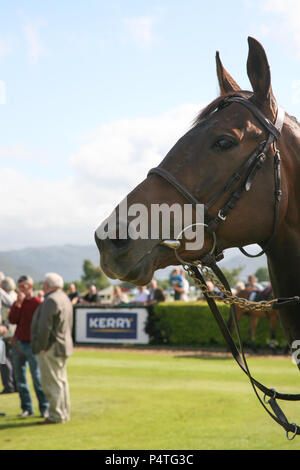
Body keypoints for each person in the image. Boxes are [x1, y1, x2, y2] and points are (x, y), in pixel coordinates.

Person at [31, 272, 73, 424]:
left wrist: (42, 346)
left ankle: (56, 415)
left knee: (51, 383)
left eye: (44, 284)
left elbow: (45, 326)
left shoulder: (51, 300)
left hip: (51, 347)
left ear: (48, 285)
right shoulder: (65, 298)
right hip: (63, 345)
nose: (42, 286)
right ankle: (63, 413)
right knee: (61, 381)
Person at [8, 275, 49, 418]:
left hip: (32, 345)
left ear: (30, 287)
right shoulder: (18, 302)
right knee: (20, 380)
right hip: (18, 343)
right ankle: (26, 408)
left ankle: (44, 408)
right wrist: (17, 305)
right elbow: (12, 320)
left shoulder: (38, 303)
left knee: (37, 379)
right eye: (19, 287)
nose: (21, 290)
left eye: (23, 286)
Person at [0, 277, 17, 394]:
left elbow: (12, 306)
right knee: (9, 358)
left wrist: (5, 324)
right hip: (11, 332)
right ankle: (13, 385)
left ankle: (9, 385)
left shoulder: (4, 294)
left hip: (6, 332)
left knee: (4, 360)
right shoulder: (13, 295)